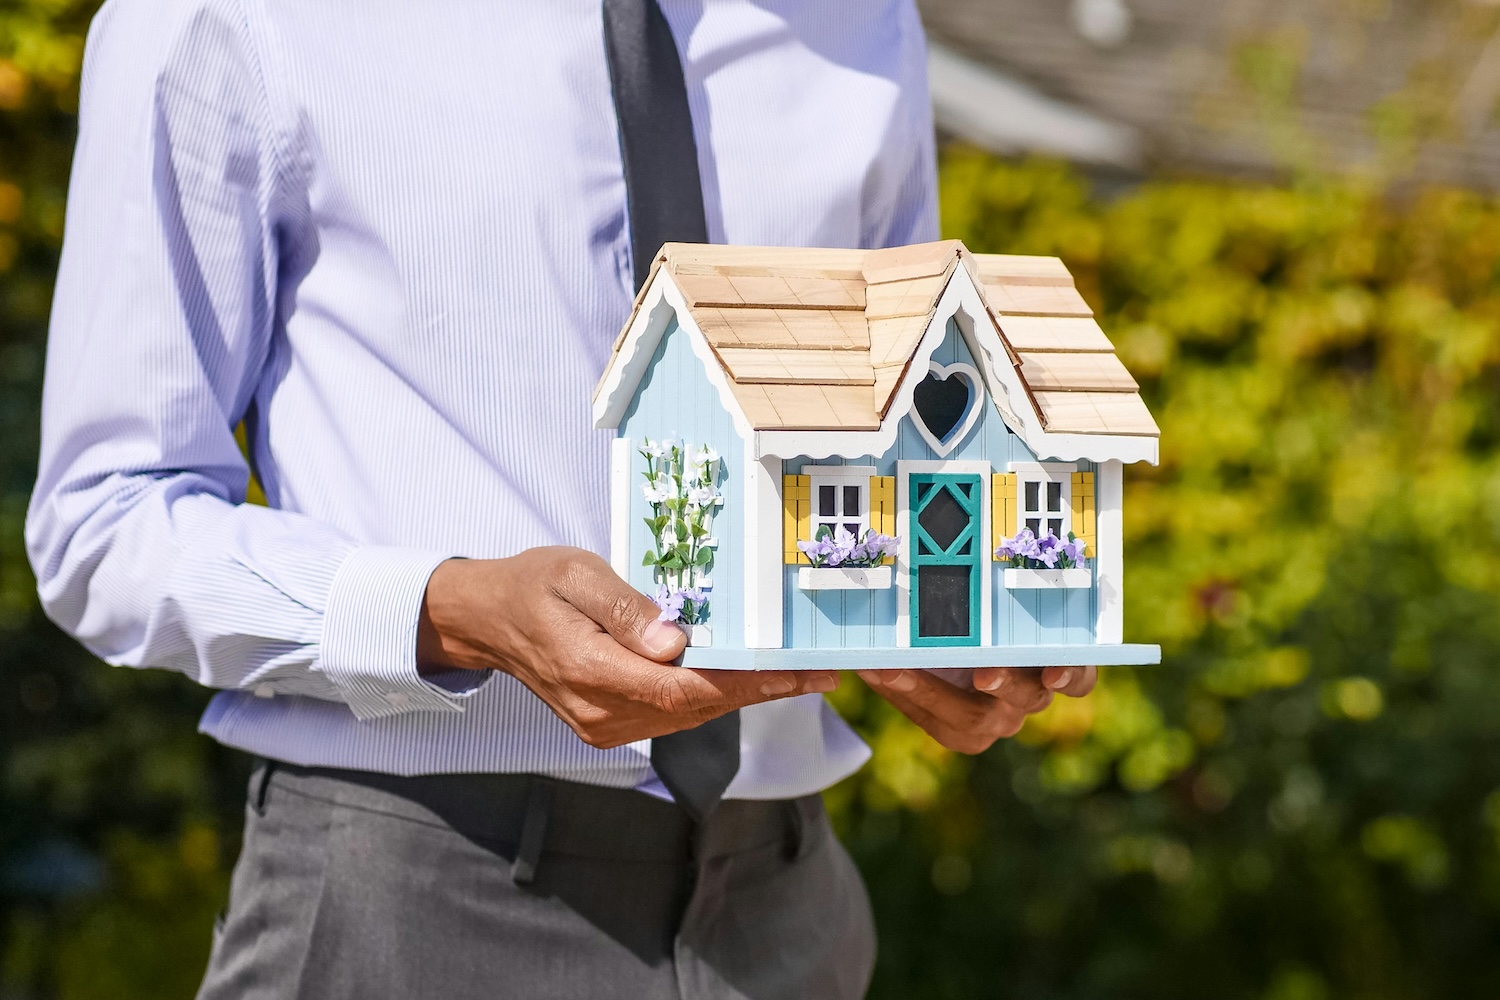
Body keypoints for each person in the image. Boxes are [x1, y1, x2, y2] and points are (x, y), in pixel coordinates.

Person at [26, 0, 1098, 997]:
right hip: (411, 908)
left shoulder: (859, 19)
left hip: (785, 914)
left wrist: (956, 622)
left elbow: (892, 427)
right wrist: (445, 612)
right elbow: (103, 516)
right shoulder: (233, 15)